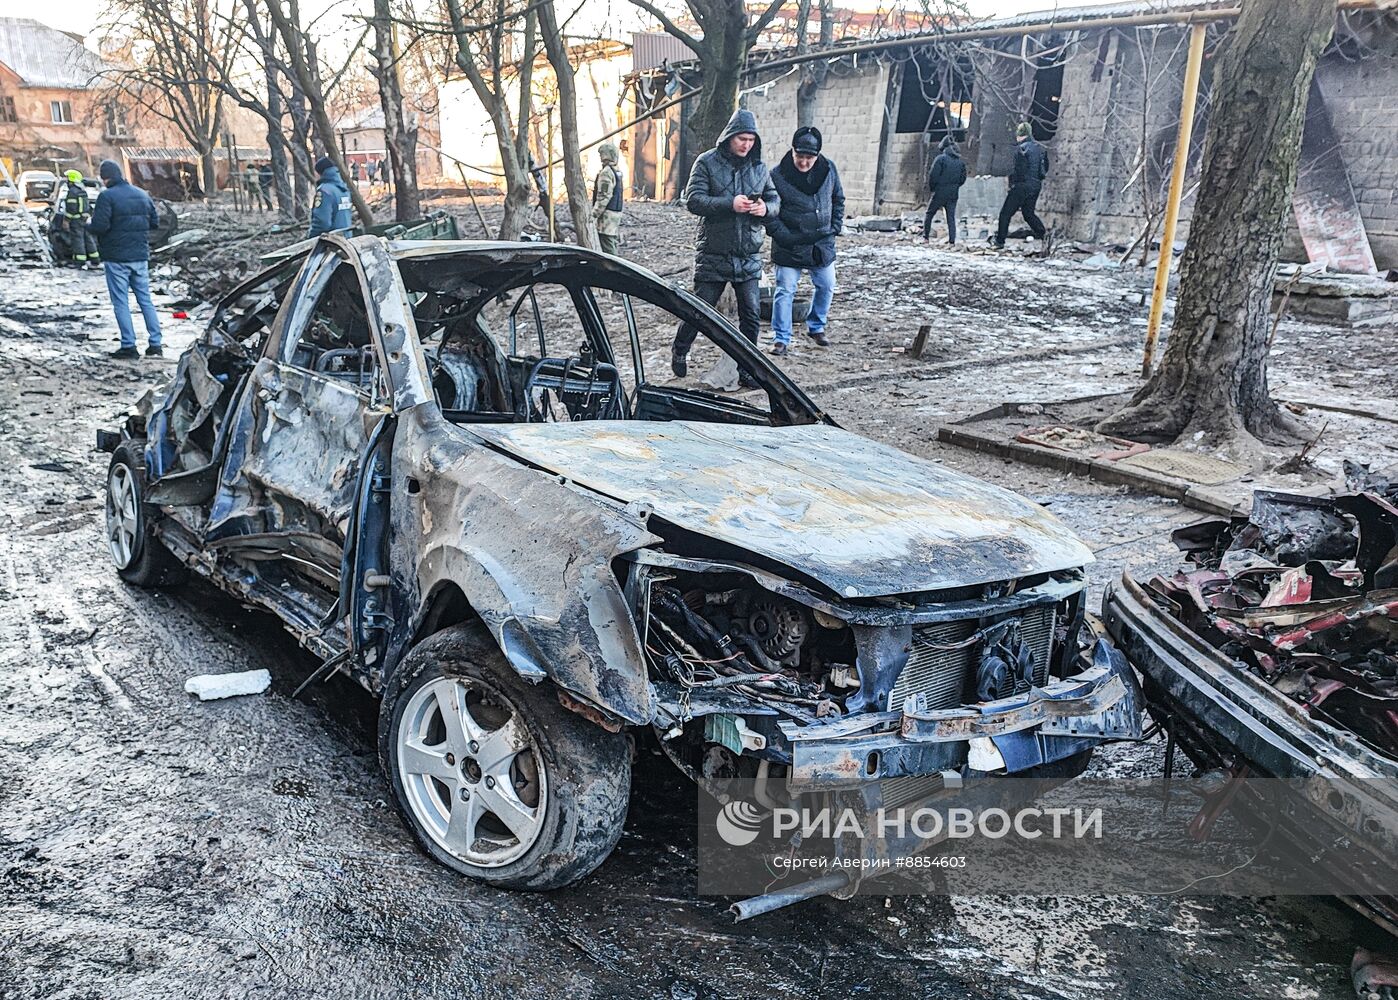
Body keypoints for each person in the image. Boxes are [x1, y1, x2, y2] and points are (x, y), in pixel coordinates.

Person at [670, 108, 779, 385]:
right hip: (714, 252)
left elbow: (775, 201)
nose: (746, 145)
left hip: (748, 254)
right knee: (698, 310)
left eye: (751, 140)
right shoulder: (706, 162)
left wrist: (765, 208)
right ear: (729, 137)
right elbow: (693, 200)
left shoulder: (760, 168)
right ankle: (680, 349)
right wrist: (729, 204)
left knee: (751, 316)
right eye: (741, 138)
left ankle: (747, 370)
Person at [765, 126, 844, 357]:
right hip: (790, 243)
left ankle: (816, 326)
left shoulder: (828, 169)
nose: (804, 162)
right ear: (792, 151)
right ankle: (781, 338)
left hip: (822, 241)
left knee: (827, 285)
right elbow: (770, 213)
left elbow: (838, 198)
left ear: (817, 155)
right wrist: (783, 236)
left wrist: (835, 226)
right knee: (785, 289)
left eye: (809, 157)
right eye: (800, 156)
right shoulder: (777, 175)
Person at [87, 160, 162, 359]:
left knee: (121, 302)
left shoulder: (106, 197)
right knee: (145, 300)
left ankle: (129, 346)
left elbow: (99, 227)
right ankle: (156, 344)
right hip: (140, 256)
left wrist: (88, 225)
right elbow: (155, 223)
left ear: (105, 177)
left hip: (116, 257)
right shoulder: (142, 194)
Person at [993, 122, 1049, 248]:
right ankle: (1043, 234)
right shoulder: (1040, 149)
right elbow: (1045, 168)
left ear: (1020, 135)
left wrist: (1013, 185)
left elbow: (1018, 170)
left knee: (1005, 214)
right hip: (1036, 185)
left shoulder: (1021, 149)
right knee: (1028, 213)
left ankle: (1000, 241)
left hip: (1022, 185)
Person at [923, 135, 968, 245]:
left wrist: (933, 189)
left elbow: (933, 176)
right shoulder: (960, 162)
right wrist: (955, 186)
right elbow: (963, 179)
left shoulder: (940, 159)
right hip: (953, 193)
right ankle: (952, 241)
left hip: (940, 191)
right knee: (950, 217)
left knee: (929, 214)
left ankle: (925, 238)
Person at [53, 169, 99, 267]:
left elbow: (71, 208)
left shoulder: (72, 193)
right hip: (85, 220)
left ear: (72, 180)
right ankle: (95, 259)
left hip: (76, 221)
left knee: (78, 240)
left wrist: (66, 220)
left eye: (68, 180)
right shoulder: (83, 192)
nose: (67, 182)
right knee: (88, 239)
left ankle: (79, 261)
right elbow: (88, 207)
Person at [591, 142, 623, 256]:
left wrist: (593, 214)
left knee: (607, 247)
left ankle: (613, 271)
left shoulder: (606, 173)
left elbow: (604, 196)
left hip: (607, 217)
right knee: (611, 243)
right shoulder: (617, 171)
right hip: (615, 213)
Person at [308, 156, 353, 237]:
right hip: (346, 241)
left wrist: (311, 237)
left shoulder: (325, 191)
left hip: (331, 243)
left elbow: (322, 222)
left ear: (320, 173)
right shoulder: (344, 190)